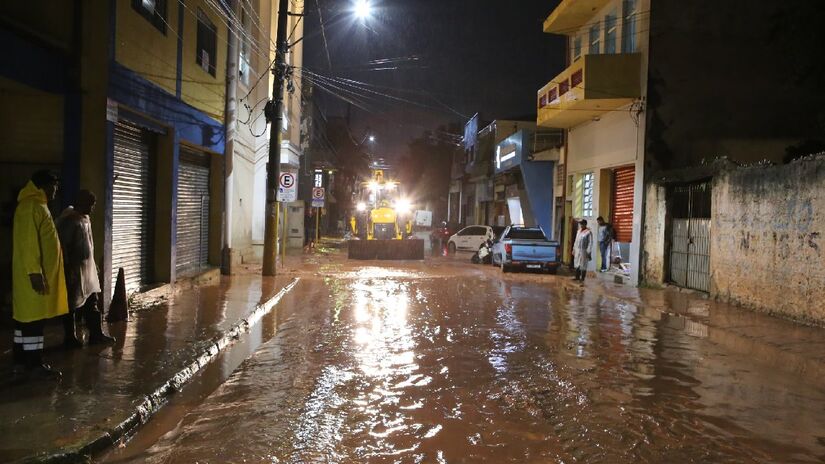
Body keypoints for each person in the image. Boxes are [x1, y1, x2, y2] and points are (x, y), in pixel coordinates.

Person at [12, 170, 68, 379]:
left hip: (33, 275)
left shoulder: (38, 206)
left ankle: (19, 361)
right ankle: (33, 365)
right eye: (53, 186)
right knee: (33, 321)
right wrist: (35, 273)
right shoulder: (31, 207)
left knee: (24, 321)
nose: (55, 191)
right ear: (42, 186)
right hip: (32, 277)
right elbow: (28, 244)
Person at [56, 190, 115, 347]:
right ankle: (70, 338)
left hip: (87, 270)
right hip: (75, 270)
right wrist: (69, 268)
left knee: (92, 301)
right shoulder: (69, 221)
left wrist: (92, 264)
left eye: (93, 205)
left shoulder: (85, 219)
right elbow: (63, 247)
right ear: (80, 203)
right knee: (71, 305)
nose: (92, 208)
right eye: (90, 204)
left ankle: (96, 334)